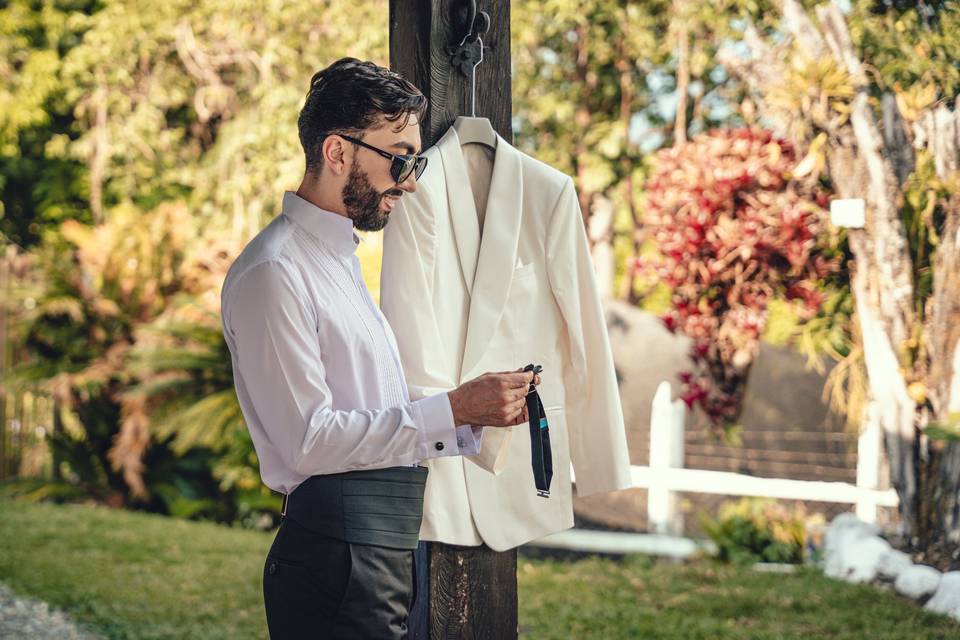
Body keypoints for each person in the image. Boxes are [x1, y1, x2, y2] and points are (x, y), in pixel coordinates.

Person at [220, 57, 539, 639]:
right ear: (337, 152)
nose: (412, 180)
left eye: (414, 160)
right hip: (336, 561)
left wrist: (474, 413)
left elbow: (368, 404)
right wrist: (455, 409)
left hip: (378, 551)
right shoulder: (275, 271)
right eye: (400, 158)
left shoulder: (337, 260)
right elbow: (309, 441)